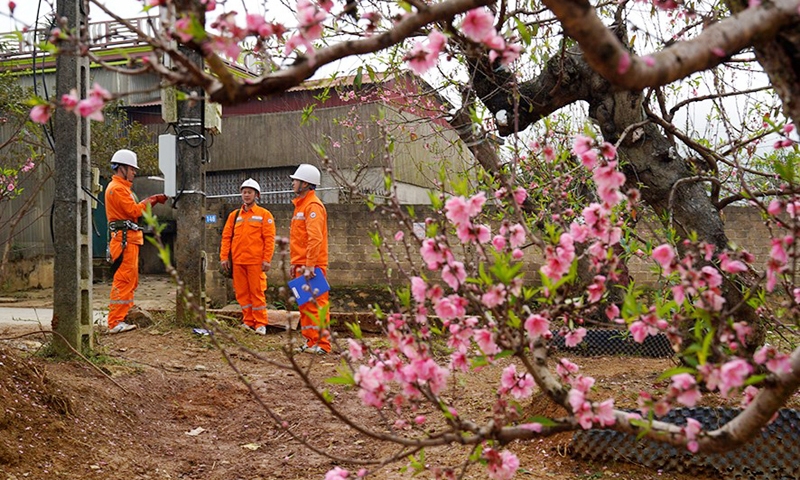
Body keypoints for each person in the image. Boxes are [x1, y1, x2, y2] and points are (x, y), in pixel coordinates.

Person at [105, 149, 168, 334]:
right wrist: (153, 200)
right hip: (125, 240)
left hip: (128, 240)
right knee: (124, 280)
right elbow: (134, 211)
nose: (134, 172)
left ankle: (124, 315)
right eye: (132, 169)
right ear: (122, 168)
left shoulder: (122, 188)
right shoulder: (117, 189)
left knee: (130, 280)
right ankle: (115, 321)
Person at [220, 178, 276, 335]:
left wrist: (267, 260)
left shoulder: (264, 215)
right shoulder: (234, 215)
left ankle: (260, 323)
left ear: (256, 195)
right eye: (244, 192)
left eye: (249, 192)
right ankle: (248, 321)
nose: (246, 195)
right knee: (242, 293)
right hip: (238, 262)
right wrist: (224, 257)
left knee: (257, 292)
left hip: (255, 262)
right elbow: (226, 237)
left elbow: (269, 239)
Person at [289, 164, 331, 354]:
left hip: (312, 267)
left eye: (296, 180)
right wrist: (295, 263)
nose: (293, 183)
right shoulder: (301, 206)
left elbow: (315, 239)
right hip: (302, 264)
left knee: (316, 305)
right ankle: (311, 341)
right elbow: (299, 239)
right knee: (305, 305)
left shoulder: (312, 206)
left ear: (305, 183)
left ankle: (322, 344)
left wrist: (309, 265)